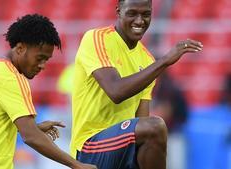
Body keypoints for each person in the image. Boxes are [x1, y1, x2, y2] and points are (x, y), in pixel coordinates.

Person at [70, 0, 203, 169]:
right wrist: (164, 61)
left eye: (146, 14)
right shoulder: (96, 39)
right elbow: (115, 91)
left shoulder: (147, 60)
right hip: (90, 147)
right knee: (156, 126)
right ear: (118, 12)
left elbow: (141, 119)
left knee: (153, 131)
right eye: (132, 13)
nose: (140, 21)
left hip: (123, 147)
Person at [0, 14, 96, 169]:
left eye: (46, 60)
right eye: (40, 58)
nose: (42, 66)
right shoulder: (11, 78)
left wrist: (35, 128)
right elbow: (30, 137)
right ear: (20, 48)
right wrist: (76, 164)